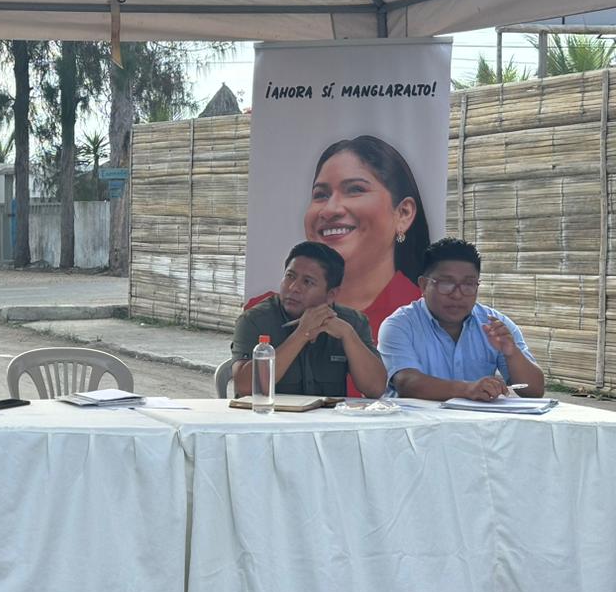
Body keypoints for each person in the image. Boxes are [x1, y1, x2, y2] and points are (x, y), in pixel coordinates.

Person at [246, 135, 431, 338]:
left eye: (355, 190)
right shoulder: (262, 315)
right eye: (321, 195)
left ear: (403, 213)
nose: (329, 210)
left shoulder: (429, 316)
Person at [378, 237, 545, 401]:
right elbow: (407, 383)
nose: (457, 295)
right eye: (446, 283)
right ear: (423, 285)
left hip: (476, 419)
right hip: (417, 419)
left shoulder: (495, 325)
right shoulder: (399, 325)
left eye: (468, 284)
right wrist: (467, 389)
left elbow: (535, 391)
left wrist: (512, 353)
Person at [232, 241, 386, 399]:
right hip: (271, 414)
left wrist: (348, 335)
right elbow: (245, 388)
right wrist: (302, 334)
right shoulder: (254, 321)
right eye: (290, 276)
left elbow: (375, 389)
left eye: (307, 282)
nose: (293, 287)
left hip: (329, 415)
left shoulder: (351, 322)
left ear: (331, 294)